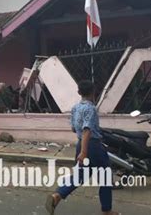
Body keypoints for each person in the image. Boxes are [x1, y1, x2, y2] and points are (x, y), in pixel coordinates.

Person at [45, 80, 118, 215]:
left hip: (81, 144)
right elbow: (86, 130)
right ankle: (107, 210)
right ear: (93, 92)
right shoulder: (90, 108)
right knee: (106, 176)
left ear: (79, 92)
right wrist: (84, 152)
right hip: (93, 146)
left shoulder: (75, 108)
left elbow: (74, 128)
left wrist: (82, 150)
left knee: (80, 176)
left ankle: (57, 195)